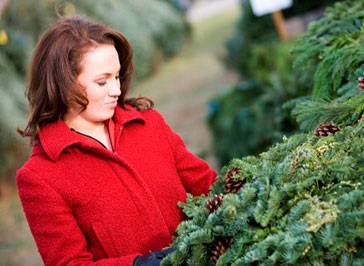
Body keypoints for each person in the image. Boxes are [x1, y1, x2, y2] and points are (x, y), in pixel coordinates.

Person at [16, 16, 216, 266]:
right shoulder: (40, 177)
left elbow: (208, 185)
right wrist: (138, 264)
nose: (117, 90)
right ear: (63, 85)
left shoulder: (149, 124)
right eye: (102, 81)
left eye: (117, 76)